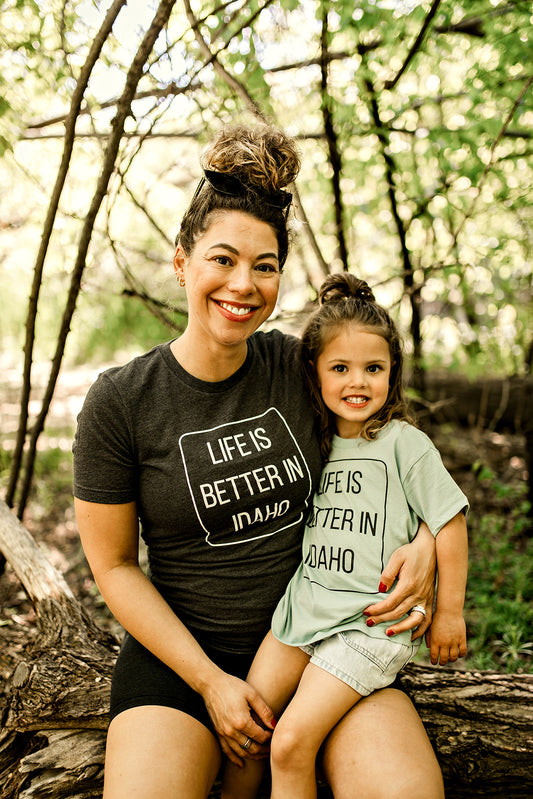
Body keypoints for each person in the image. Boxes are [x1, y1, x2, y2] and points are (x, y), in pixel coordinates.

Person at [73, 123, 443, 799]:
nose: (243, 284)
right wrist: (210, 681)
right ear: (181, 260)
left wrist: (425, 544)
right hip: (182, 662)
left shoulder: (294, 365)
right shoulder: (121, 400)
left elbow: (392, 453)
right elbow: (114, 565)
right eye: (222, 259)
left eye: (264, 265)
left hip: (322, 643)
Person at [222, 272, 469, 799]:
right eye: (340, 368)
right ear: (314, 373)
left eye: (373, 369)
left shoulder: (405, 443)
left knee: (289, 743)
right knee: (247, 730)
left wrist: (449, 611)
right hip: (304, 610)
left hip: (367, 625)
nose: (357, 382)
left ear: (392, 373)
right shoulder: (310, 437)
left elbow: (449, 521)